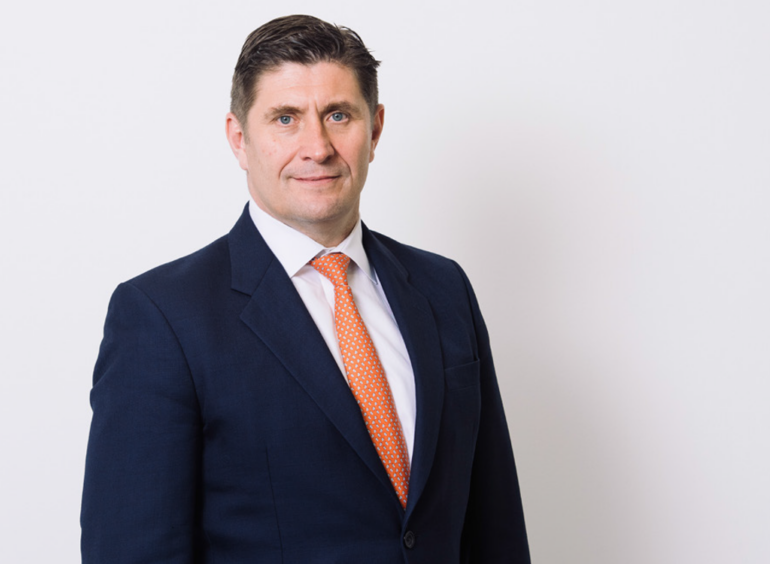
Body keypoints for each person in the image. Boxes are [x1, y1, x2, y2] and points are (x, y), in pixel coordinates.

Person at [81, 14, 530, 564]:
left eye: (338, 115)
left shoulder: (443, 289)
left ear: (376, 129)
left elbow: (495, 527)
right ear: (240, 139)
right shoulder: (163, 317)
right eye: (286, 118)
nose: (317, 146)